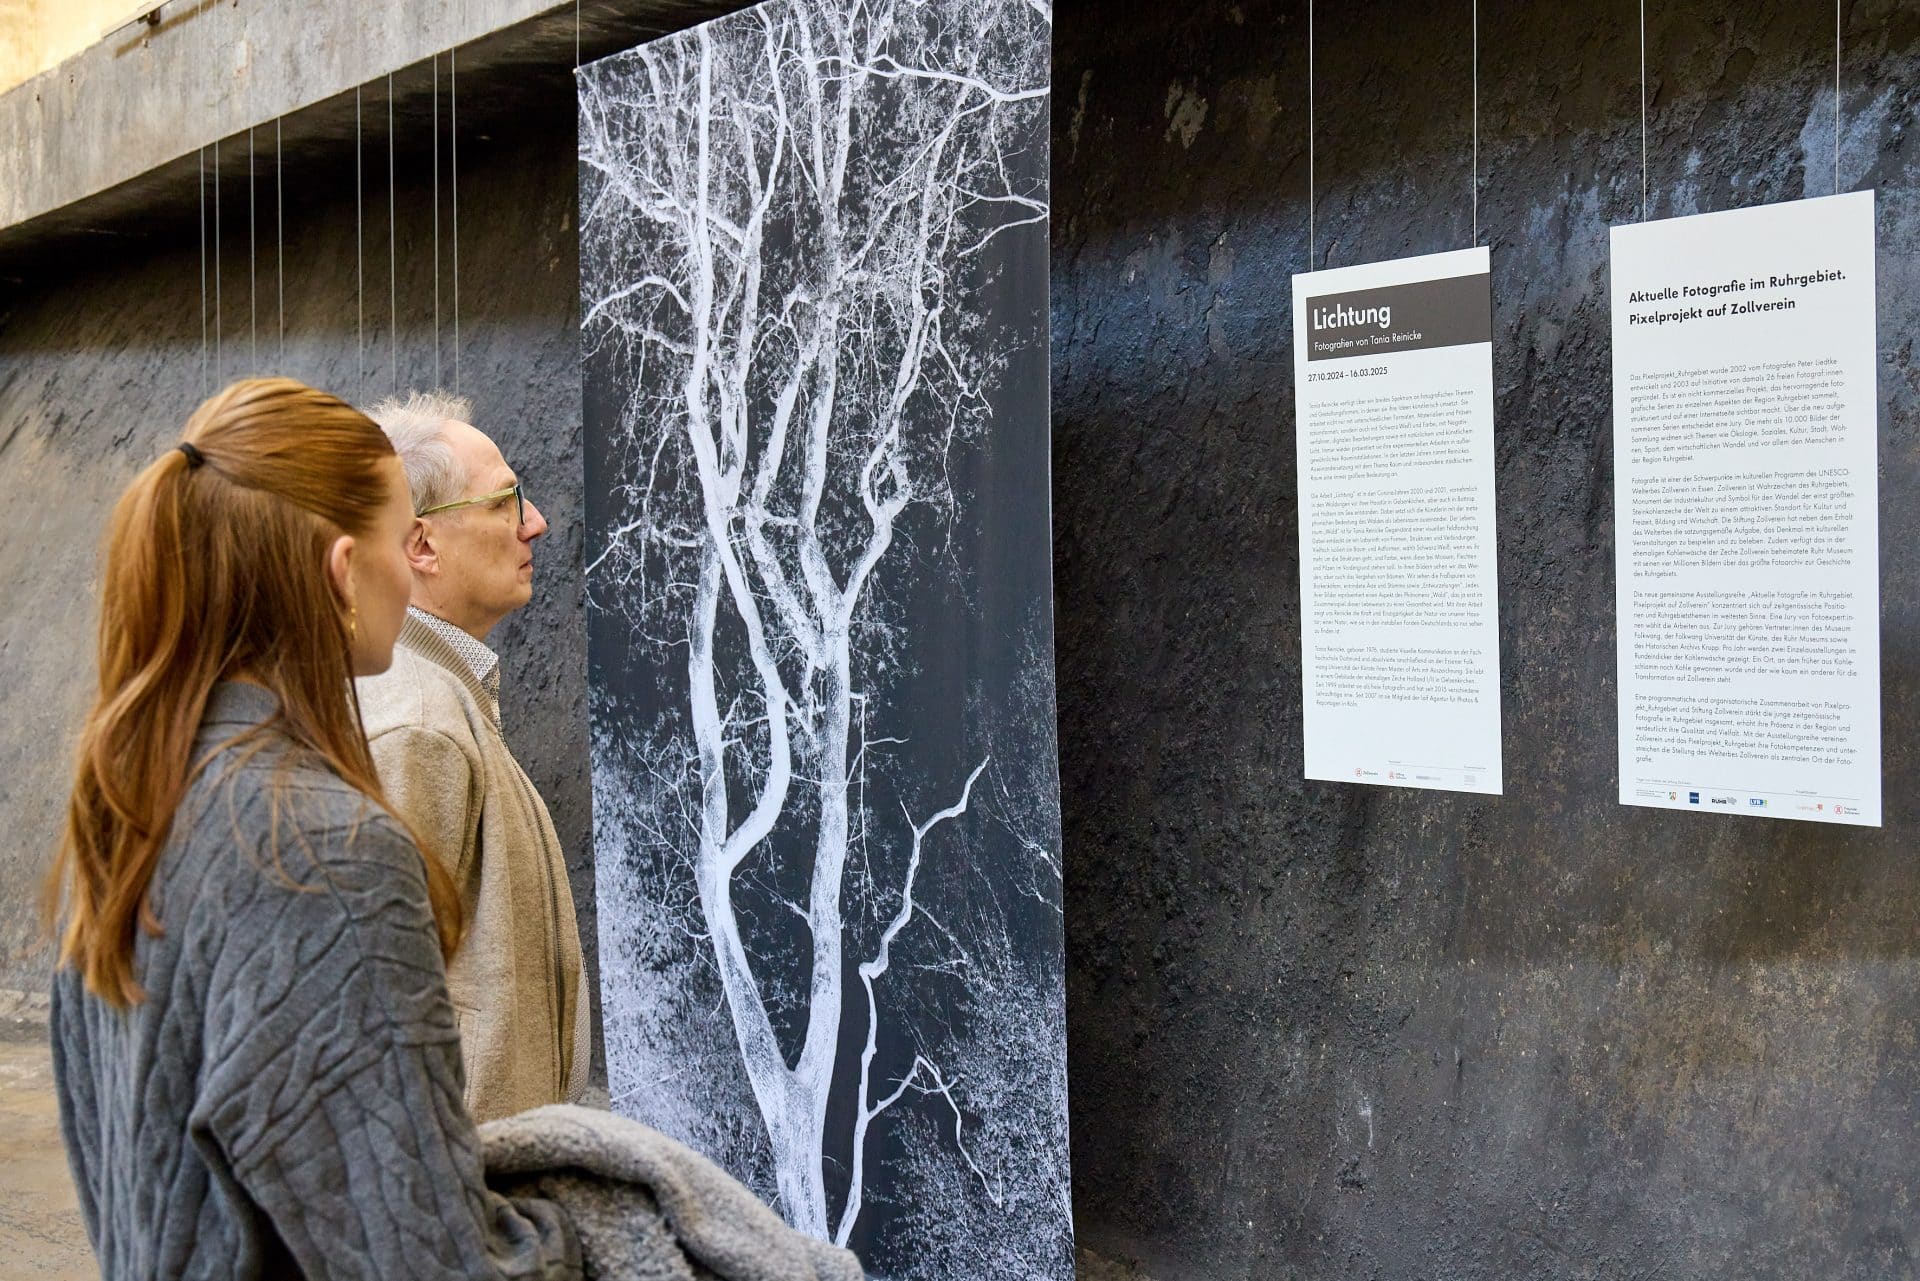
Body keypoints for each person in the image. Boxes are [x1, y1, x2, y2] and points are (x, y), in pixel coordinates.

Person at [45, 378, 582, 1277]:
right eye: (395, 533)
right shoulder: (324, 846)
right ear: (345, 569)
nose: (406, 566)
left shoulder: (125, 805)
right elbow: (424, 1257)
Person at [353, 391, 588, 1123]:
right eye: (506, 501)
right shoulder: (415, 725)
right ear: (421, 545)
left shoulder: (439, 699)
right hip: (461, 1202)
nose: (536, 523)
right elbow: (372, 1022)